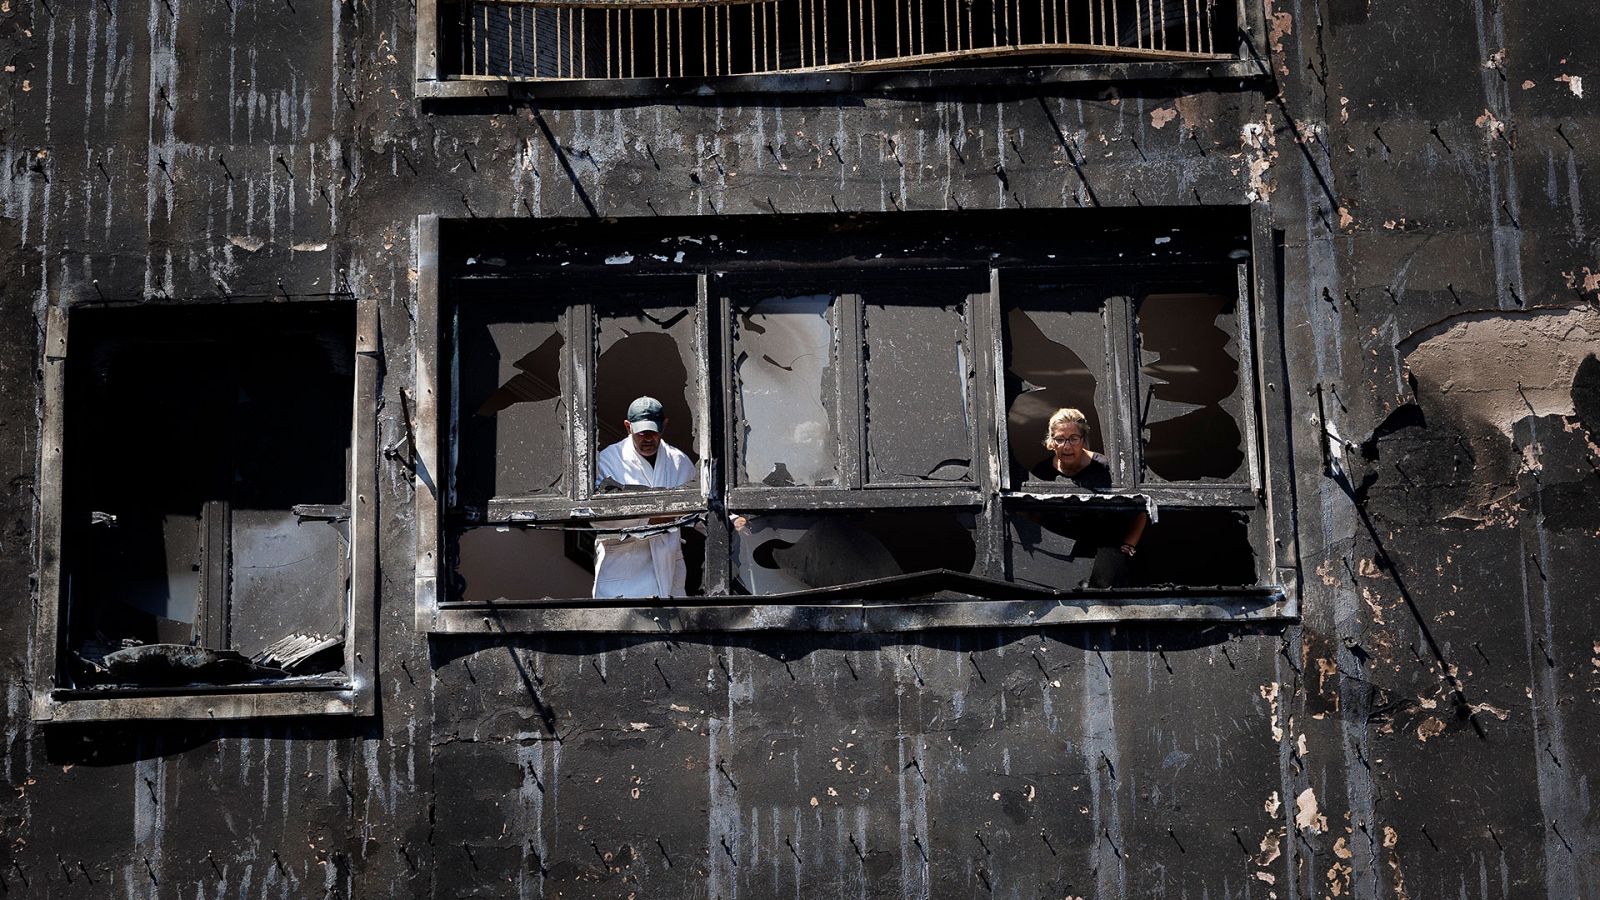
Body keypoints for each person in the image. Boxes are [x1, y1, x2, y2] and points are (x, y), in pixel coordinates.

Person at [1028, 408, 1147, 588]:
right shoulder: (1042, 472)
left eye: (1074, 438)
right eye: (1059, 439)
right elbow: (1030, 514)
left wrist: (1128, 547)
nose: (1066, 446)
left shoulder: (1105, 468)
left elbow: (1141, 508)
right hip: (1059, 554)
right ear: (1051, 442)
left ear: (1083, 440)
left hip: (1104, 551)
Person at [592, 396, 697, 598]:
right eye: (641, 433)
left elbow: (702, 505)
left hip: (668, 568)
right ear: (627, 426)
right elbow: (599, 517)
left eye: (653, 432)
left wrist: (734, 520)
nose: (647, 439)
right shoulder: (608, 460)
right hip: (623, 572)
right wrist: (649, 519)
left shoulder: (678, 461)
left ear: (664, 426)